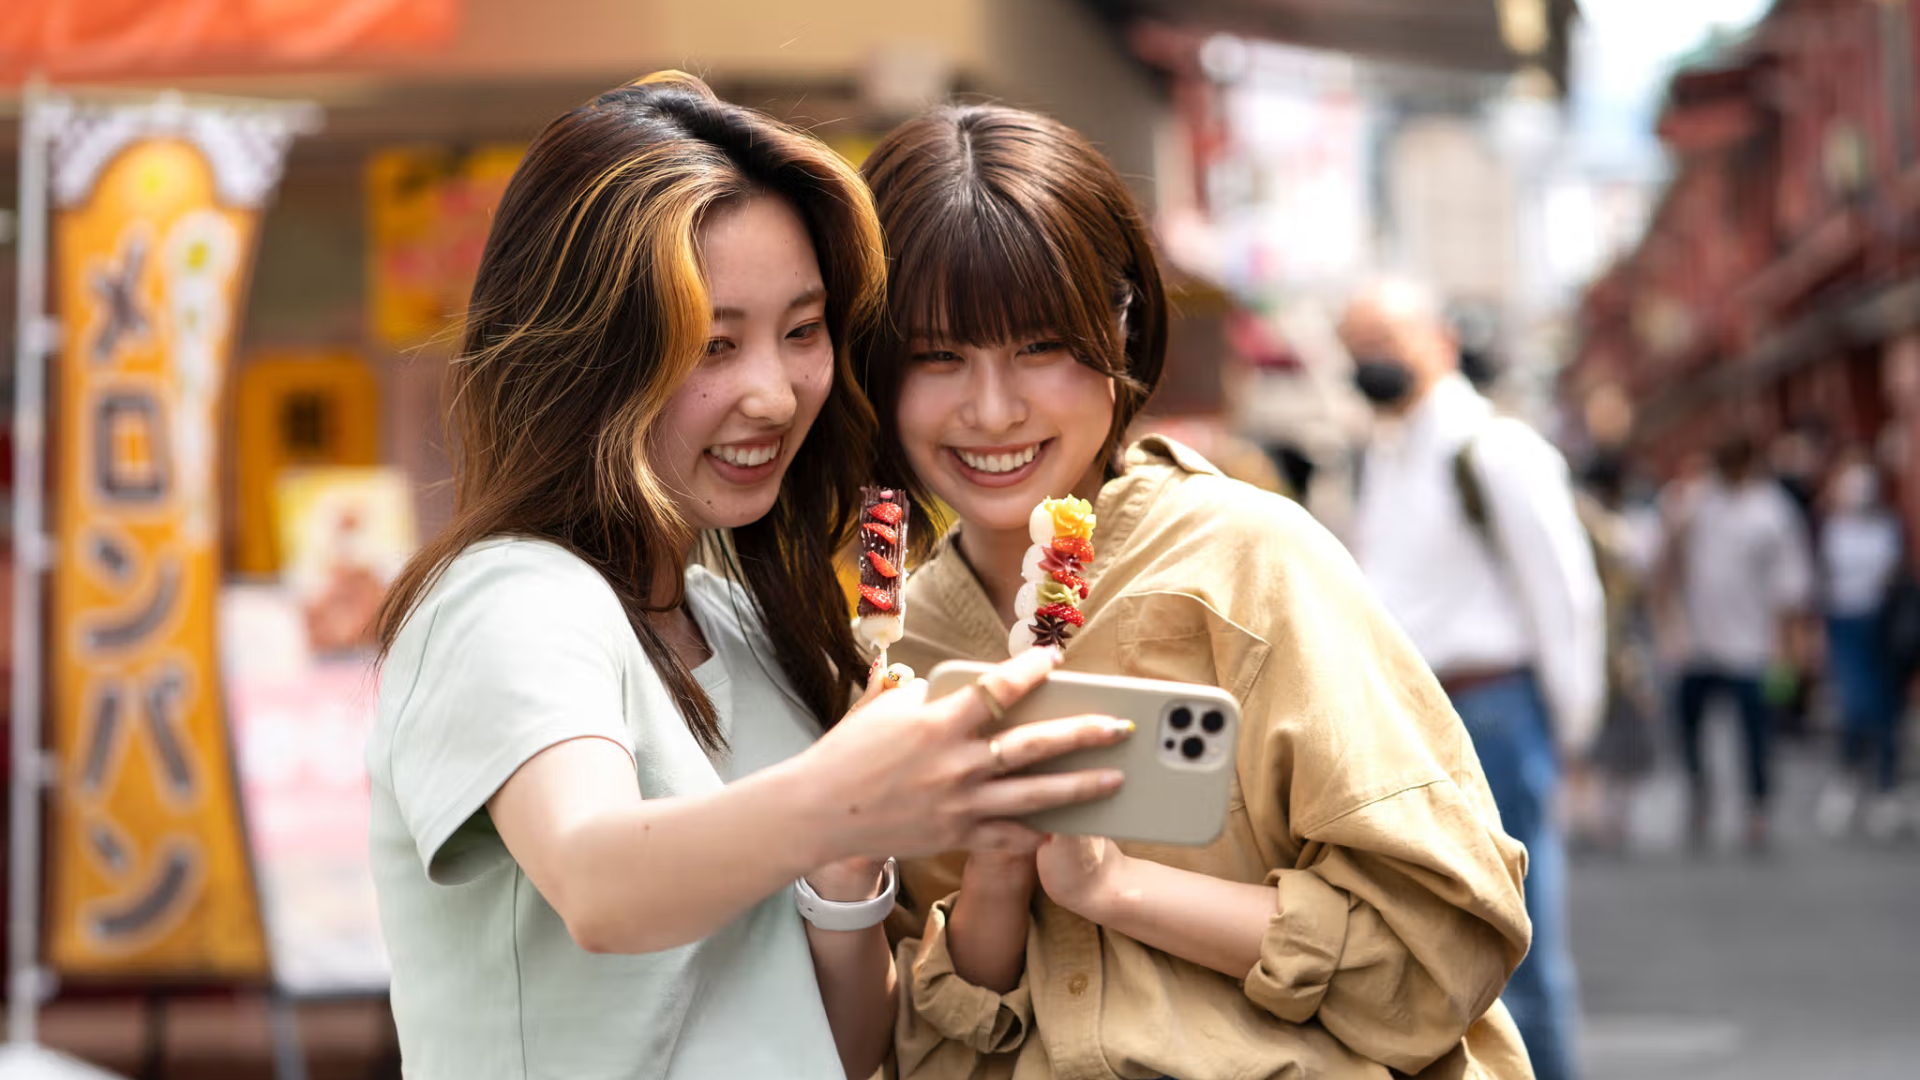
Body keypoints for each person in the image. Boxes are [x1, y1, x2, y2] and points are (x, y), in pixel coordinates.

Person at [365, 73, 1133, 1080]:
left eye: (803, 331)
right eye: (711, 344)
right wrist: (850, 795)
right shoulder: (510, 599)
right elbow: (598, 883)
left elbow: (844, 1050)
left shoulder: (747, 626)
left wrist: (850, 870)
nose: (773, 394)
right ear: (585, 357)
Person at [856, 105, 1534, 1080]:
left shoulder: (1250, 563)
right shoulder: (898, 655)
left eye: (1040, 346)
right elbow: (913, 1047)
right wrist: (996, 888)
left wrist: (1114, 888)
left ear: (1121, 329)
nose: (992, 410)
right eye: (936, 356)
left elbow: (1440, 957)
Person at [1340, 279, 1604, 1080]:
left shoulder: (1493, 449)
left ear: (1441, 341)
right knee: (1436, 953)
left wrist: (1572, 731)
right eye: (1356, 348)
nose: (1369, 362)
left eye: (1384, 343)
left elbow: (1564, 594)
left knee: (1518, 949)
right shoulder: (1384, 452)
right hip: (1410, 719)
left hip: (1492, 711)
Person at [1665, 434, 1813, 852]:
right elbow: (1670, 562)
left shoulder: (1773, 512)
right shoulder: (1699, 504)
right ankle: (1700, 796)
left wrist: (1792, 648)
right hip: (1699, 643)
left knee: (1756, 734)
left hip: (1754, 646)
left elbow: (1790, 586)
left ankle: (1757, 807)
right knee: (1688, 726)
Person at [1815, 452, 1906, 838]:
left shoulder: (1888, 529)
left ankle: (1885, 786)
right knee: (1854, 705)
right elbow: (1822, 580)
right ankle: (1850, 778)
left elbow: (1895, 576)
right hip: (1844, 625)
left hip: (1880, 627)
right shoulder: (1832, 529)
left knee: (1884, 707)